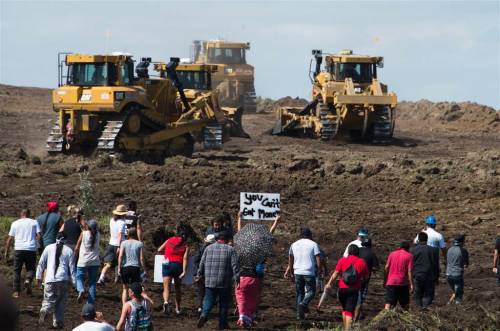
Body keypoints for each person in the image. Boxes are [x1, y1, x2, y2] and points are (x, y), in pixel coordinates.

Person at [234, 213, 281, 327]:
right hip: (255, 278)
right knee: (253, 298)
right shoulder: (261, 251)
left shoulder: (241, 249)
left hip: (242, 277)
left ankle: (242, 315)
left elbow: (240, 233)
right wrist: (276, 221)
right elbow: (270, 234)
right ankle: (249, 317)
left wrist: (239, 218)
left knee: (240, 296)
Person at [196, 232, 239, 330]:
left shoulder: (208, 248)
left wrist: (199, 274)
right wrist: (237, 278)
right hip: (224, 281)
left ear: (217, 239)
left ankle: (204, 314)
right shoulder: (231, 250)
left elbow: (201, 263)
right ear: (227, 240)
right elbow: (235, 266)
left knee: (208, 300)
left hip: (209, 280)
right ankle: (222, 324)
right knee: (223, 303)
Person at [323, 244, 369, 331]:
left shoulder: (342, 260)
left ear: (348, 251)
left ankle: (345, 328)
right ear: (357, 252)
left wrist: (329, 283)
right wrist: (360, 280)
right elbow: (366, 277)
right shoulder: (361, 262)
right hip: (354, 290)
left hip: (342, 289)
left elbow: (336, 273)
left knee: (344, 309)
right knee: (349, 312)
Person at [36, 233, 75, 329]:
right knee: (60, 302)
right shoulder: (69, 251)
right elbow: (72, 269)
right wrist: (74, 283)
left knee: (48, 300)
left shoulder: (48, 248)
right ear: (65, 240)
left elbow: (41, 263)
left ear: (56, 238)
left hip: (49, 279)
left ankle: (45, 309)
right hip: (63, 279)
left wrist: (38, 277)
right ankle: (58, 322)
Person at [284, 227, 321, 320]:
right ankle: (303, 304)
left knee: (300, 293)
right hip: (309, 272)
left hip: (297, 272)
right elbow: (318, 259)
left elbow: (290, 261)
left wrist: (291, 273)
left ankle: (299, 315)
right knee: (312, 292)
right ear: (310, 235)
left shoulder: (293, 244)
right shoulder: (314, 244)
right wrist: (319, 271)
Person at [4, 209, 41, 298]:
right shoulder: (34, 222)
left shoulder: (15, 223)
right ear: (29, 214)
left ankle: (16, 292)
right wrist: (37, 245)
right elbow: (39, 236)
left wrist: (6, 251)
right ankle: (28, 280)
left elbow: (9, 239)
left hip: (19, 248)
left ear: (21, 214)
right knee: (31, 268)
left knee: (17, 271)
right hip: (31, 249)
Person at [157, 227, 189, 315]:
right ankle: (178, 309)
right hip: (178, 265)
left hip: (167, 263)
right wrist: (184, 271)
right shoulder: (186, 245)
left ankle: (166, 302)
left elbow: (159, 250)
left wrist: (167, 253)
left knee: (166, 287)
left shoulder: (169, 240)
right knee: (177, 288)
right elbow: (185, 258)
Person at [98, 204, 127, 285]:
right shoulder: (122, 223)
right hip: (119, 244)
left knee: (108, 263)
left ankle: (101, 277)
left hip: (111, 243)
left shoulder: (112, 220)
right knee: (120, 261)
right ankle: (118, 277)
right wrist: (118, 246)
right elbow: (120, 235)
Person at [411, 232, 439, 309]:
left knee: (417, 294)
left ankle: (419, 309)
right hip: (429, 276)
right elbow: (436, 265)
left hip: (417, 275)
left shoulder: (413, 250)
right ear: (427, 239)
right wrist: (436, 277)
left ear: (418, 239)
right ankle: (425, 307)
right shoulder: (433, 250)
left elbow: (410, 265)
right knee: (429, 294)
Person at [75, 219, 101, 304]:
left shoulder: (83, 233)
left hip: (83, 261)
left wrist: (75, 254)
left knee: (79, 277)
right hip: (95, 261)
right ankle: (90, 304)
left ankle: (81, 289)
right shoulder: (98, 235)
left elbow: (77, 246)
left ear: (88, 226)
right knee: (92, 283)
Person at [118, 228, 146, 305]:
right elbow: (141, 258)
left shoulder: (123, 243)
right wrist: (144, 269)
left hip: (125, 268)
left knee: (125, 288)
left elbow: (120, 256)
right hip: (135, 268)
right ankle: (135, 305)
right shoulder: (139, 243)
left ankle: (124, 306)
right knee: (136, 288)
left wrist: (119, 268)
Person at [384, 241, 414, 310]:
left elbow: (386, 267)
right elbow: (409, 271)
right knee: (405, 304)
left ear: (399, 247)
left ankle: (384, 317)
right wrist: (411, 284)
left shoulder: (392, 254)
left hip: (391, 281)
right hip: (403, 282)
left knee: (388, 303)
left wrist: (385, 280)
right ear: (408, 248)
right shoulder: (409, 256)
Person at [355, 238, 379, 321]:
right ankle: (357, 316)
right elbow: (376, 267)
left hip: (353, 277)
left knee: (354, 294)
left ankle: (356, 313)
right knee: (361, 296)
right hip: (365, 279)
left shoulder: (358, 250)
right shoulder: (372, 253)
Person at [59, 206, 82, 285]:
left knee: (66, 264)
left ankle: (65, 280)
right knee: (75, 264)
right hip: (76, 246)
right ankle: (75, 282)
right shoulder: (79, 223)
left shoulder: (66, 222)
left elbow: (60, 232)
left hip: (66, 245)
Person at [194, 234, 216, 313]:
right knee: (209, 291)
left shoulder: (201, 249)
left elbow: (196, 260)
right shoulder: (215, 250)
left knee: (200, 290)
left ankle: (200, 306)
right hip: (211, 273)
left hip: (201, 272)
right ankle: (206, 308)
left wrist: (197, 272)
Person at [446, 234, 469, 305]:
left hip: (448, 274)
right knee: (459, 294)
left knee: (456, 291)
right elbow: (466, 264)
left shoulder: (449, 249)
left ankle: (449, 303)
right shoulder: (463, 250)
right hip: (457, 275)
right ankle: (457, 308)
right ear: (462, 242)